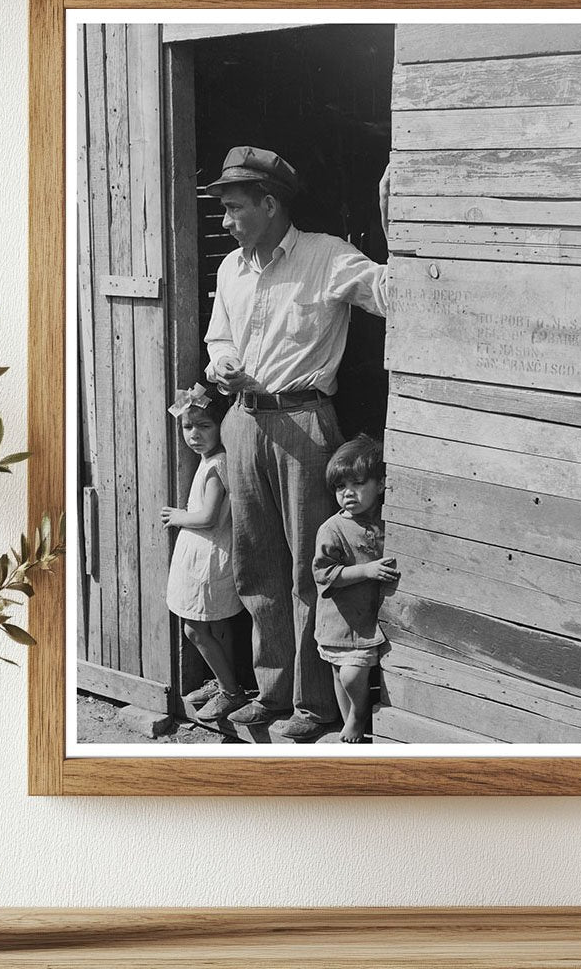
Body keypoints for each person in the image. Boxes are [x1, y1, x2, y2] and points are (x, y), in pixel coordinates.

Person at [204, 145, 390, 740]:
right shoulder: (230, 269)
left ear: (270, 204)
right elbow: (218, 339)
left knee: (313, 566)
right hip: (243, 422)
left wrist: (402, 222)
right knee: (257, 565)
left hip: (304, 424)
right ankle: (272, 692)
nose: (226, 221)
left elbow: (391, 294)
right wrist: (223, 365)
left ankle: (314, 703)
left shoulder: (327, 256)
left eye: (235, 208)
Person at [161, 383, 246, 722]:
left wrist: (177, 516)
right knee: (217, 626)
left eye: (204, 426)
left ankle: (231, 692)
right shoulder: (211, 459)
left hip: (207, 557)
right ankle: (225, 681)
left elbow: (209, 517)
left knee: (195, 629)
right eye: (187, 427)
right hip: (206, 553)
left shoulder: (216, 465)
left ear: (220, 426)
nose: (194, 434)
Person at [313, 435, 398, 743]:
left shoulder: (388, 521)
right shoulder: (332, 529)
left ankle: (356, 718)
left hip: (367, 618)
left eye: (358, 483)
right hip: (341, 619)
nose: (347, 492)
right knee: (342, 673)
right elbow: (323, 573)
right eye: (340, 486)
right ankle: (354, 718)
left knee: (350, 674)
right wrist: (365, 570)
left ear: (381, 484)